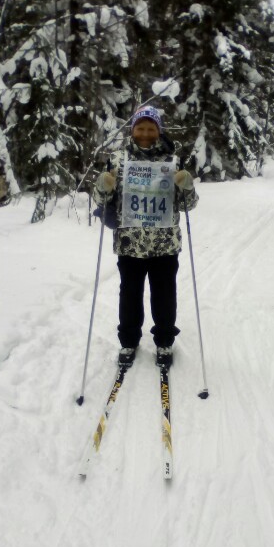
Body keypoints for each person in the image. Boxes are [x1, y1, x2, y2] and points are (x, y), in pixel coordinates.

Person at [93, 105, 198, 370]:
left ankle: (164, 341)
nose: (146, 133)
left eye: (151, 128)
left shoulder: (172, 161)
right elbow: (104, 201)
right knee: (129, 294)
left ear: (159, 130)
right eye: (141, 127)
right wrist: (102, 187)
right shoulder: (117, 160)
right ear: (133, 129)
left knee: (164, 295)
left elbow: (188, 205)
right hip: (130, 243)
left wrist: (187, 185)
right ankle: (128, 341)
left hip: (164, 244)